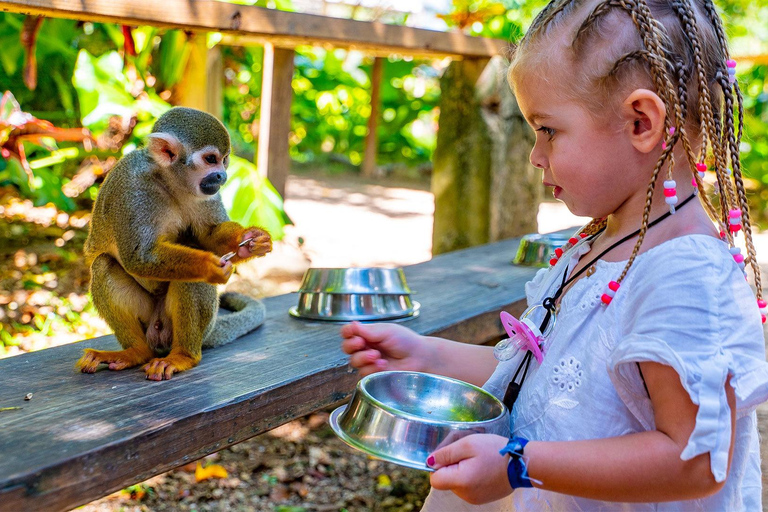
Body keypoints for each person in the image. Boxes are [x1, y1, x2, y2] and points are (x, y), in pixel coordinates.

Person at [340, 0, 768, 509]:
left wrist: (520, 464)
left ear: (640, 122)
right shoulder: (599, 243)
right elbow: (551, 381)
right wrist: (429, 355)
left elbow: (695, 460)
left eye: (548, 130)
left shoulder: (684, 275)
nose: (534, 154)